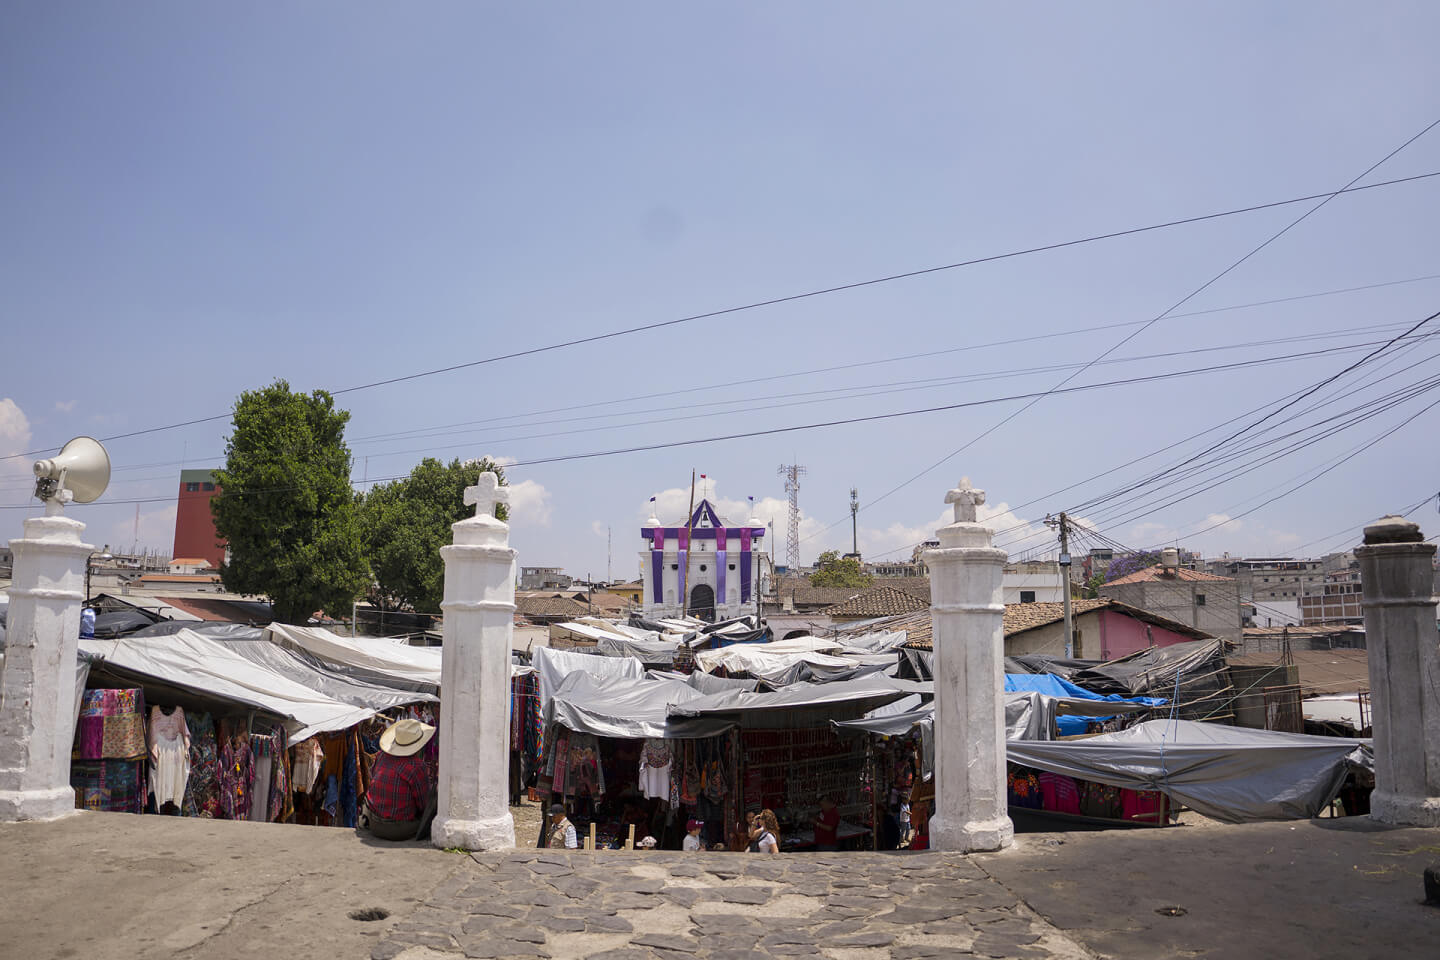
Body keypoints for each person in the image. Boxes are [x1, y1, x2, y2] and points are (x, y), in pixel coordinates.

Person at [360, 718, 437, 841]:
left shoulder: (381, 756)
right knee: (434, 797)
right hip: (399, 829)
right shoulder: (416, 766)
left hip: (374, 823)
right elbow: (424, 804)